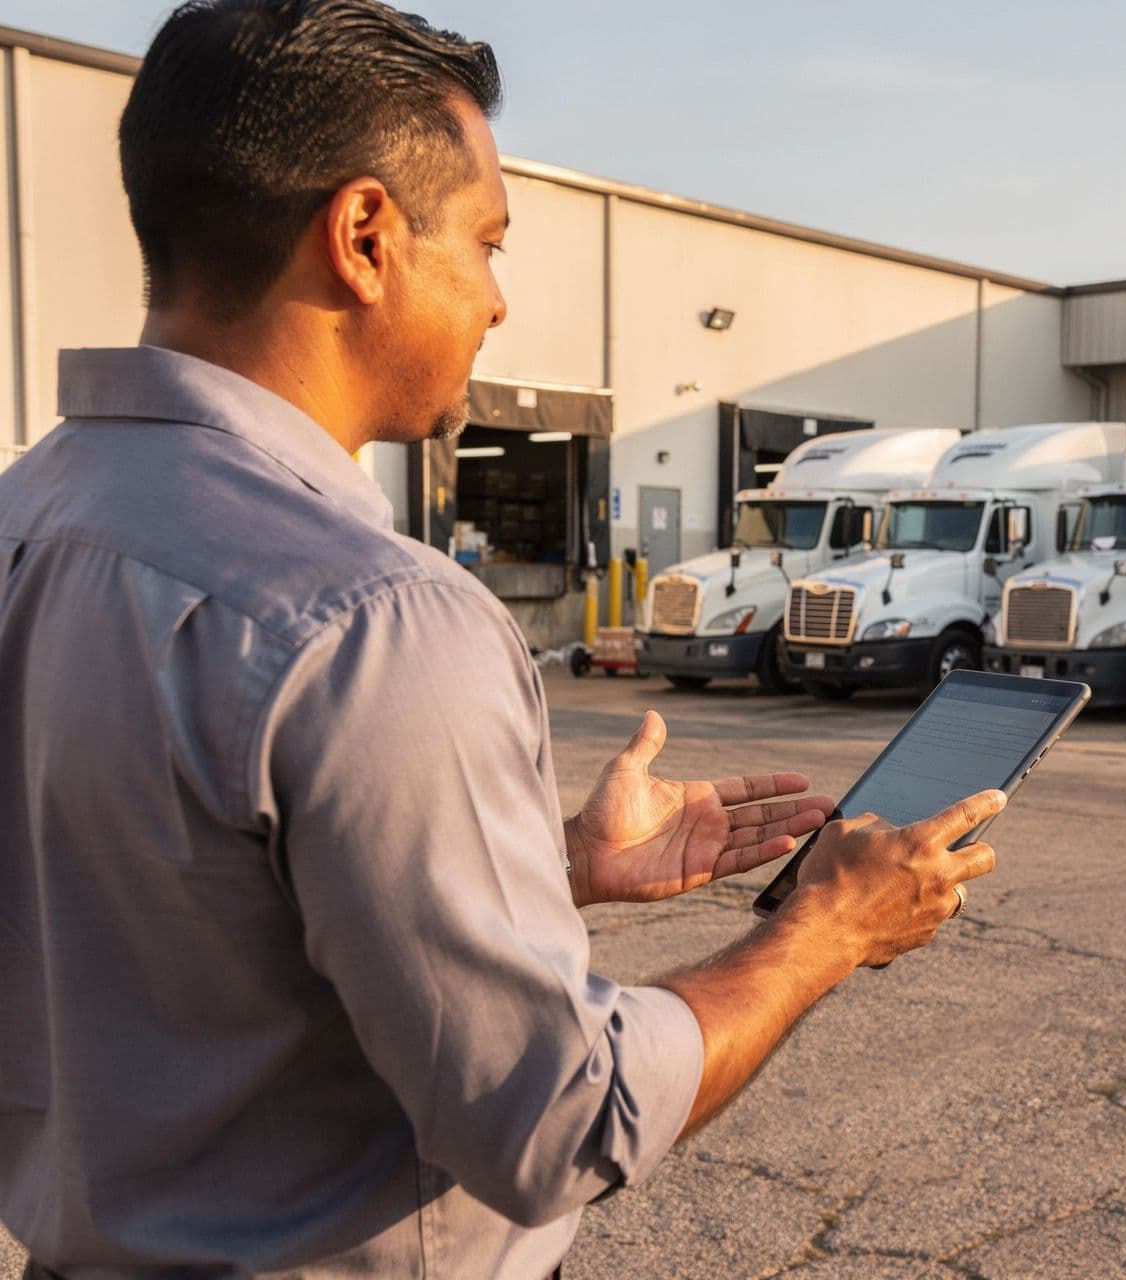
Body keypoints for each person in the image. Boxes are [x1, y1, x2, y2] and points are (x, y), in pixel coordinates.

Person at [0, 2, 999, 1275]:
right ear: (365, 237)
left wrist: (540, 862)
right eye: (484, 242)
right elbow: (558, 1119)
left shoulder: (27, 524)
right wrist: (828, 926)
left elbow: (160, 916)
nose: (497, 300)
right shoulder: (374, 618)